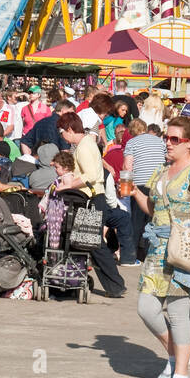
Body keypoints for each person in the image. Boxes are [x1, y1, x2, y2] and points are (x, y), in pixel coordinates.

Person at [130, 117, 190, 378]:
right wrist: (132, 191)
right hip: (157, 247)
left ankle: (182, 376)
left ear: (189, 143)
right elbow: (152, 209)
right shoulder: (161, 170)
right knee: (146, 307)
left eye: (174, 139)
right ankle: (175, 354)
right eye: (167, 138)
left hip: (182, 249)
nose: (167, 143)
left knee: (179, 313)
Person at [56, 113, 127, 297]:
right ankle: (114, 285)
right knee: (92, 243)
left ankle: (116, 285)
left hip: (93, 199)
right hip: (93, 198)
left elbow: (92, 175)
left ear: (70, 130)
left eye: (62, 132)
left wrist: (70, 183)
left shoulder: (84, 146)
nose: (62, 136)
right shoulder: (84, 144)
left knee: (94, 243)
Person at [122, 117, 166, 259]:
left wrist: (125, 187)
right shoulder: (160, 141)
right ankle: (149, 251)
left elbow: (127, 167)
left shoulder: (131, 143)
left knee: (136, 220)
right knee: (153, 218)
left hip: (140, 183)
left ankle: (132, 253)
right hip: (158, 182)